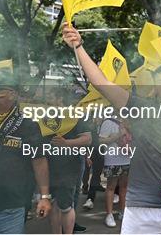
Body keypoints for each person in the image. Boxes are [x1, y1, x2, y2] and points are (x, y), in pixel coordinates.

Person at [62, 26, 161, 233]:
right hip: (140, 210)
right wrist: (78, 46)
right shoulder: (140, 108)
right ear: (155, 87)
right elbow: (101, 82)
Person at [0, 70, 52, 233]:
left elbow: (39, 161)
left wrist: (44, 197)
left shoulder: (29, 126)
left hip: (11, 209)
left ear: (12, 95)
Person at [42, 88, 92, 234]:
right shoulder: (45, 115)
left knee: (65, 205)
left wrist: (66, 143)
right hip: (48, 166)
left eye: (51, 94)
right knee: (52, 204)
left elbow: (87, 139)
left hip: (68, 167)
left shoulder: (76, 115)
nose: (48, 98)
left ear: (60, 99)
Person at [98, 115, 131, 227]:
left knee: (124, 187)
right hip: (112, 159)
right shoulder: (108, 122)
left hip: (127, 158)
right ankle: (109, 214)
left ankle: (122, 212)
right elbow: (101, 140)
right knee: (111, 187)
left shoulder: (129, 120)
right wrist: (117, 136)